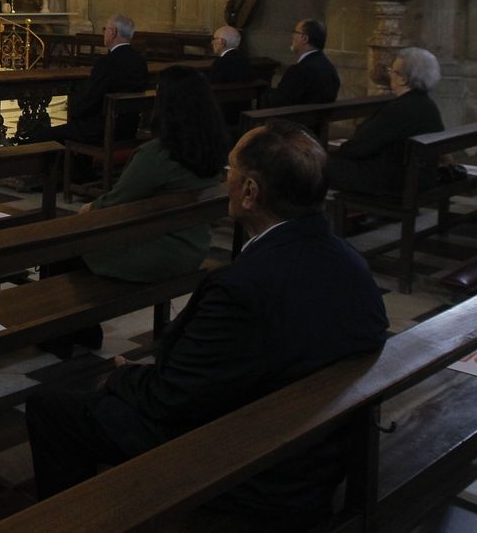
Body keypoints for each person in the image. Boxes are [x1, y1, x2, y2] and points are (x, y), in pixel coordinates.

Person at [24, 121, 388, 519]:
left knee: (51, 405)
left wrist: (120, 375)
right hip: (318, 441)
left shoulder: (241, 287)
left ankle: (77, 521)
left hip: (253, 467)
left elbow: (172, 399)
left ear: (249, 193)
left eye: (230, 171)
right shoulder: (351, 263)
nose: (224, 179)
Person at [41, 67, 231, 358]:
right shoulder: (213, 148)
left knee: (61, 245)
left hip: (158, 253)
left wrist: (88, 209)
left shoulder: (158, 154)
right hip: (192, 246)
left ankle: (63, 333)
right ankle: (84, 327)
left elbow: (116, 204)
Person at [325, 47, 445, 196]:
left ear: (403, 79)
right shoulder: (428, 105)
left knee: (318, 166)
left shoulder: (399, 108)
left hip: (393, 182)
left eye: (392, 71)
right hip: (418, 178)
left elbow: (360, 146)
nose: (390, 75)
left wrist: (336, 153)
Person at [50, 13, 151, 145]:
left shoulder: (107, 62)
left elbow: (91, 99)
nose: (104, 33)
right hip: (129, 128)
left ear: (113, 33)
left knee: (44, 135)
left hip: (103, 130)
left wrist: (75, 113)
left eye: (105, 30)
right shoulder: (140, 61)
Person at [265, 18, 340, 107]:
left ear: (304, 38)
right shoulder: (330, 68)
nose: (292, 36)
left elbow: (278, 102)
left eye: (295, 32)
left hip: (295, 120)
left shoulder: (299, 71)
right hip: (319, 120)